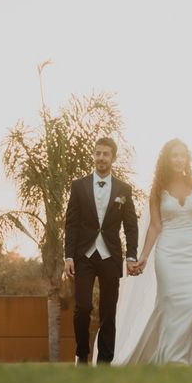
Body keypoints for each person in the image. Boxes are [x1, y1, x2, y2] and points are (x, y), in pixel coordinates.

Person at [112, 138, 192, 365]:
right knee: (170, 304)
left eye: (182, 155)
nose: (179, 159)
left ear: (188, 159)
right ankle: (171, 360)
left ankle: (184, 357)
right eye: (174, 155)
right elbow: (155, 226)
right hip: (167, 252)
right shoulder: (158, 190)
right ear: (167, 160)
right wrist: (144, 256)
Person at [64, 137, 139, 365]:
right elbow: (71, 223)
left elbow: (131, 225)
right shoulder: (79, 186)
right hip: (83, 256)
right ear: (93, 155)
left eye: (106, 154)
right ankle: (82, 354)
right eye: (98, 153)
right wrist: (68, 256)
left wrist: (131, 255)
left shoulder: (123, 189)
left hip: (111, 257)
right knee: (83, 307)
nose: (101, 158)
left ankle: (106, 360)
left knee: (108, 312)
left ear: (112, 158)